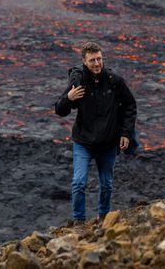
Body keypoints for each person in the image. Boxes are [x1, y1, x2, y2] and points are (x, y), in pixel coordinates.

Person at [55, 42, 137, 224]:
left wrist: (125, 133)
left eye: (99, 59)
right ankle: (78, 222)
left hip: (108, 143)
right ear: (84, 62)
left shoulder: (114, 81)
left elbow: (130, 105)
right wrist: (68, 98)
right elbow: (60, 110)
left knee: (106, 184)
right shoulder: (79, 83)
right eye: (92, 60)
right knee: (78, 183)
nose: (97, 63)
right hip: (83, 142)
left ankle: (104, 218)